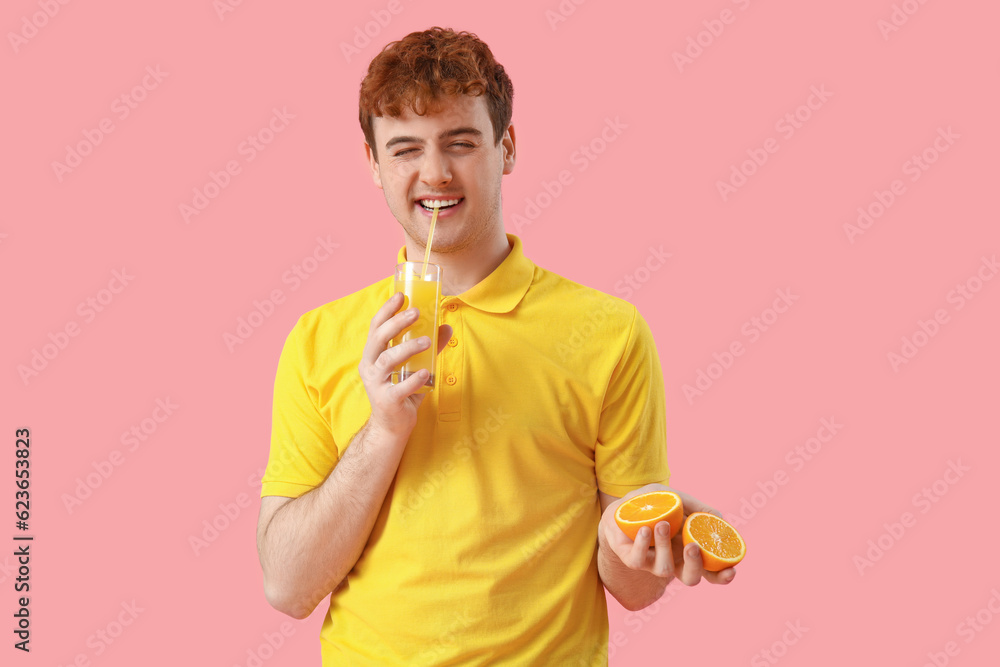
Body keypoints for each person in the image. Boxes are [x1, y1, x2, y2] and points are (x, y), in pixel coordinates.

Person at [256, 26, 736, 666]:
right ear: (373, 165)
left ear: (506, 147)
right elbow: (288, 587)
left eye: (461, 142)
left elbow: (632, 587)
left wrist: (641, 549)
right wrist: (382, 430)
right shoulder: (318, 339)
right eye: (404, 149)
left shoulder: (610, 332)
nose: (434, 173)